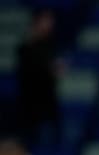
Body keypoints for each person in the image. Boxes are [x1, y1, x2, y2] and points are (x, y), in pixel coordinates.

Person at [15, 8, 63, 147]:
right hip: (30, 100)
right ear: (36, 22)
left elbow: (55, 68)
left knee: (54, 135)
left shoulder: (51, 44)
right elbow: (28, 70)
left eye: (51, 21)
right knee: (31, 137)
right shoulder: (26, 46)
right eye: (46, 21)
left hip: (48, 97)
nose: (50, 24)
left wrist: (56, 70)